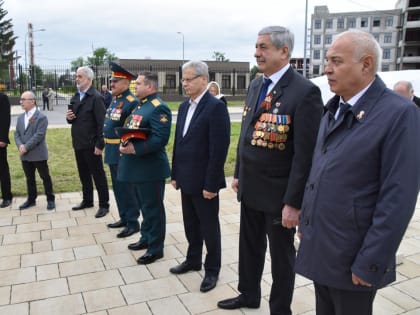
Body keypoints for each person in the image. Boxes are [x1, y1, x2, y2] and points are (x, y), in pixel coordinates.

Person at [295, 30, 420, 315]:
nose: (327, 68)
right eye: (327, 60)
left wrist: (371, 261)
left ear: (366, 64)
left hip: (354, 255)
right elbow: (320, 172)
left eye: (336, 61)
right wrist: (308, 223)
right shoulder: (334, 109)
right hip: (324, 245)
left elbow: (398, 199)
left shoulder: (399, 114)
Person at [217, 26, 324, 314]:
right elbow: (247, 135)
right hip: (251, 188)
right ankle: (249, 294)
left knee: (281, 257)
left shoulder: (305, 92)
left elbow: (305, 156)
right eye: (256, 46)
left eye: (263, 47)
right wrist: (238, 172)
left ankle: (280, 309)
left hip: (279, 196)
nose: (256, 53)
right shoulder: (256, 85)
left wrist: (294, 202)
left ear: (283, 51)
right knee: (249, 248)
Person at [169, 61, 230, 293]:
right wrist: (175, 173)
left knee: (209, 226)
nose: (184, 83)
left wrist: (212, 183)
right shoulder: (185, 107)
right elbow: (179, 143)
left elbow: (219, 149)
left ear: (203, 79)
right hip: (186, 178)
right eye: (183, 79)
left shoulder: (216, 107)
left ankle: (212, 269)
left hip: (205, 182)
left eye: (188, 79)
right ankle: (193, 259)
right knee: (190, 223)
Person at [118, 71, 171, 265]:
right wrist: (124, 142)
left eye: (138, 83)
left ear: (150, 86)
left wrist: (135, 148)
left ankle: (156, 248)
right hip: (137, 167)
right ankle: (146, 238)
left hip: (150, 169)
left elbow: (160, 138)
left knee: (153, 208)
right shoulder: (141, 106)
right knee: (144, 207)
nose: (135, 86)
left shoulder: (158, 108)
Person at [66, 66, 109, 218]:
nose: (77, 79)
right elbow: (71, 119)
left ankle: (104, 205)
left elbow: (102, 123)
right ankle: (87, 200)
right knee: (83, 174)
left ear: (89, 79)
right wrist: (69, 118)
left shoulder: (96, 98)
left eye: (80, 76)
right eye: (76, 76)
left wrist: (99, 144)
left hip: (92, 144)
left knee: (98, 175)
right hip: (78, 142)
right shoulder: (76, 96)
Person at [104, 62, 140, 238]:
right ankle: (124, 217)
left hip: (121, 151)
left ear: (126, 83)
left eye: (115, 81)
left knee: (127, 187)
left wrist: (124, 148)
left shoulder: (131, 102)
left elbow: (132, 130)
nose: (112, 84)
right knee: (118, 187)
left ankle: (133, 222)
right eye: (111, 81)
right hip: (111, 149)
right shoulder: (116, 100)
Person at [14, 91, 55, 210]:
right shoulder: (21, 117)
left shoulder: (41, 117)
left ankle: (50, 199)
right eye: (20, 99)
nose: (20, 102)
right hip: (25, 155)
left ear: (32, 101)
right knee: (29, 178)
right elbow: (17, 134)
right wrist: (20, 145)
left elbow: (39, 135)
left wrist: (25, 147)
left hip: (38, 154)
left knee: (45, 177)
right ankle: (31, 200)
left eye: (23, 99)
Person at [0, 92, 13, 208]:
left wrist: (3, 138)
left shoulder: (2, 98)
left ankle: (7, 197)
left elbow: (5, 119)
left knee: (2, 169)